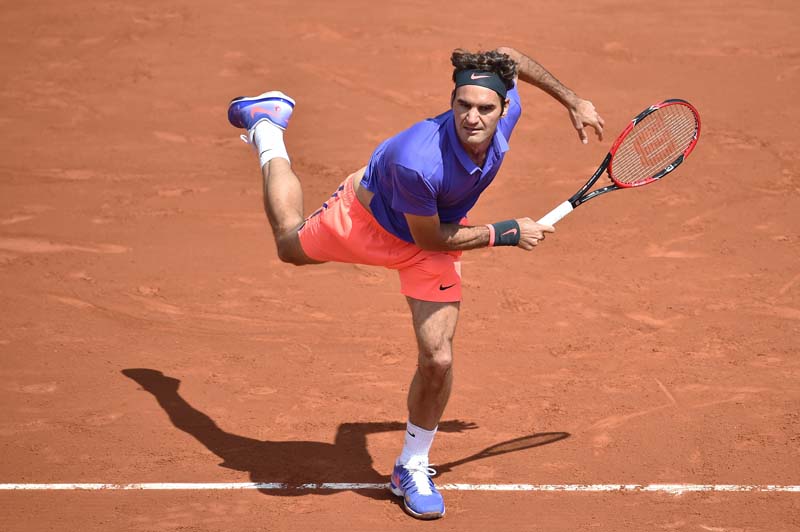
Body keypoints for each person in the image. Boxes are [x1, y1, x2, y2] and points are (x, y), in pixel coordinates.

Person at [227, 46, 604, 520]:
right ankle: (267, 127)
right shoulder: (417, 160)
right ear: (451, 102)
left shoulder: (505, 112)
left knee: (438, 358)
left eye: (485, 107)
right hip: (366, 223)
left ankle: (412, 463)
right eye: (462, 105)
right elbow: (434, 238)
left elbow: (508, 56)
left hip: (433, 237)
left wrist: (571, 99)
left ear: (505, 107)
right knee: (289, 244)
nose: (472, 117)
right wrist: (508, 232)